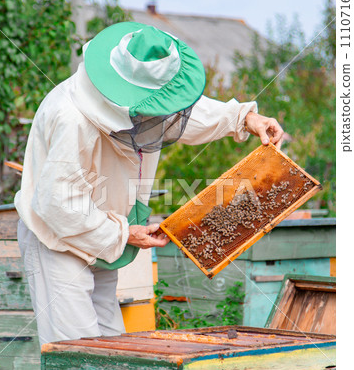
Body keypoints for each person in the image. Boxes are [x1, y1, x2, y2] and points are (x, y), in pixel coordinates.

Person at [15, 22, 283, 346]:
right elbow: (57, 202)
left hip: (104, 235)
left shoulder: (150, 107)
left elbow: (188, 111)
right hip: (57, 241)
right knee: (76, 356)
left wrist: (245, 118)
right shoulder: (71, 118)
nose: (163, 119)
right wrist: (124, 233)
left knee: (114, 347)